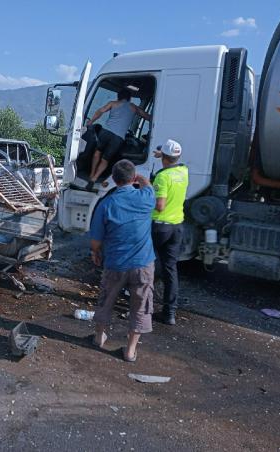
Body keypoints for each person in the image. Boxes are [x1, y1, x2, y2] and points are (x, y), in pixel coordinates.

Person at [90, 159, 156, 362]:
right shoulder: (146, 198)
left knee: (106, 300)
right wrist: (142, 179)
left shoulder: (106, 204)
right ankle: (130, 351)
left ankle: (100, 337)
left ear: (114, 179)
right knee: (141, 305)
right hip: (143, 263)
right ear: (133, 178)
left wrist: (96, 253)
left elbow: (95, 242)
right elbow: (150, 188)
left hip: (115, 264)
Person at [151, 139, 189, 325]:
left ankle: (143, 304)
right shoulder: (184, 171)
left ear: (164, 158)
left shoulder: (162, 177)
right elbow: (173, 161)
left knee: (147, 262)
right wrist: (163, 155)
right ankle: (169, 313)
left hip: (160, 226)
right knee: (170, 269)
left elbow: (160, 206)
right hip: (177, 227)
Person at [85, 89, 151, 184]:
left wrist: (90, 122)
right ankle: (95, 177)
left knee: (97, 153)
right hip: (118, 137)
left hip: (106, 132)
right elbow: (146, 116)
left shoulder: (113, 103)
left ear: (118, 96)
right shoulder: (133, 107)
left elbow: (100, 111)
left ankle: (91, 174)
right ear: (129, 98)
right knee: (105, 159)